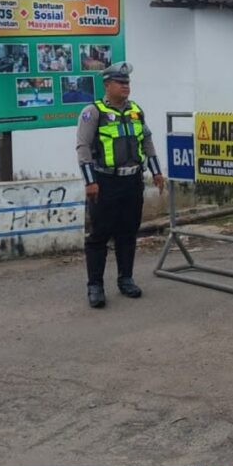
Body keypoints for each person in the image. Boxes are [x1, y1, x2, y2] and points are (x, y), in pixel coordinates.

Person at [76, 62, 164, 308]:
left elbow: (147, 141)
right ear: (107, 85)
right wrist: (90, 181)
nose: (126, 87)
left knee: (127, 232)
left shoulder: (136, 111)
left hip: (132, 181)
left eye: (127, 83)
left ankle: (126, 279)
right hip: (105, 182)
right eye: (121, 83)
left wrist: (157, 172)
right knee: (99, 235)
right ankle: (95, 285)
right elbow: (83, 147)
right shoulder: (93, 112)